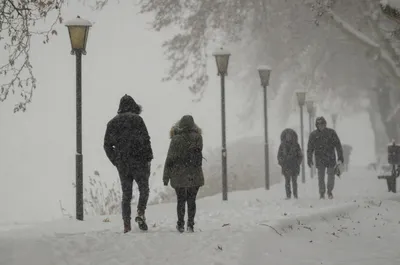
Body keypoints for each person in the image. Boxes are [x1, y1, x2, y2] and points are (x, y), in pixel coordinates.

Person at [103, 94, 153, 233]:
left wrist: (116, 160)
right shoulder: (137, 120)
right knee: (144, 189)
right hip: (139, 161)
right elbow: (146, 140)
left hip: (123, 164)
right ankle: (140, 212)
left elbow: (107, 145)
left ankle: (127, 225)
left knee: (126, 194)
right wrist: (148, 159)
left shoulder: (112, 123)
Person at [163, 115, 204, 233]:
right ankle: (190, 224)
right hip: (194, 173)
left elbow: (169, 158)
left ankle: (180, 224)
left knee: (181, 200)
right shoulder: (198, 137)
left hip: (178, 174)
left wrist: (166, 176)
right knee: (192, 200)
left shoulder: (175, 139)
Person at [307, 116, 344, 199]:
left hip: (330, 157)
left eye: (322, 124)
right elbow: (310, 148)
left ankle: (329, 191)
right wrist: (309, 158)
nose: (321, 126)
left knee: (331, 175)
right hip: (320, 159)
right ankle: (322, 192)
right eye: (319, 124)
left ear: (325, 124)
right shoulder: (313, 135)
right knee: (321, 177)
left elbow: (338, 145)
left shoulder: (331, 133)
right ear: (317, 125)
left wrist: (340, 157)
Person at [277, 128, 303, 199]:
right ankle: (288, 195)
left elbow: (300, 155)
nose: (288, 137)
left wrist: (297, 163)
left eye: (290, 136)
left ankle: (295, 195)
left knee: (294, 182)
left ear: (292, 136)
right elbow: (279, 156)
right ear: (285, 137)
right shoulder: (282, 146)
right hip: (286, 167)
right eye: (287, 136)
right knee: (287, 182)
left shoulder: (296, 145)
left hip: (294, 166)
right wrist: (282, 162)